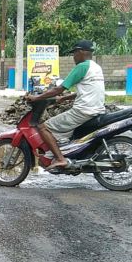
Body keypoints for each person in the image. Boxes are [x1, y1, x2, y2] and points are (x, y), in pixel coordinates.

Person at [24, 40, 106, 170]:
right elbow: (89, 89)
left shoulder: (82, 67)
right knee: (64, 130)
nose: (73, 56)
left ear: (81, 52)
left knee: (44, 127)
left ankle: (60, 159)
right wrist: (66, 98)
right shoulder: (95, 67)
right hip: (96, 109)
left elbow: (59, 88)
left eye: (74, 53)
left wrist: (36, 97)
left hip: (83, 111)